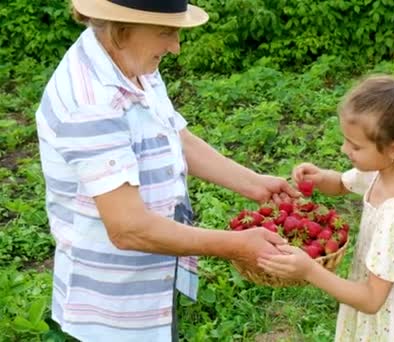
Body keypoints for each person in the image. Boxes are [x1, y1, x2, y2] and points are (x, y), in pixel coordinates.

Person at [35, 1, 298, 341]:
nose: (175, 46)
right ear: (122, 28)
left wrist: (254, 184)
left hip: (152, 273)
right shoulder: (90, 102)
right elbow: (128, 229)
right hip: (113, 302)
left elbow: (174, 135)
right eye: (166, 32)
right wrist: (238, 245)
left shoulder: (131, 61)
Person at [258, 68, 394, 341]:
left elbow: (372, 300)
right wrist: (321, 177)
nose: (345, 150)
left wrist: (310, 270)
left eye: (355, 146)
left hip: (389, 322)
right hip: (377, 308)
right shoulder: (388, 171)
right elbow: (342, 184)